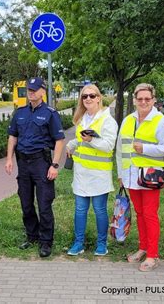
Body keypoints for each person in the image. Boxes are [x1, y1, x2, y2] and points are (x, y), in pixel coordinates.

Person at [116, 83, 164, 271]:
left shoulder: (160, 121)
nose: (143, 102)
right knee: (140, 213)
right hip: (131, 176)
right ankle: (143, 248)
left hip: (150, 177)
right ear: (134, 100)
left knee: (149, 214)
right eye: (139, 99)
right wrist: (120, 174)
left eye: (147, 99)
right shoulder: (128, 120)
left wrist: (146, 148)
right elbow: (120, 149)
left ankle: (152, 255)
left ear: (153, 100)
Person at [5, 77, 65, 257]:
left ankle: (46, 242)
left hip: (42, 163)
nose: (30, 93)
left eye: (34, 90)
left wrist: (54, 165)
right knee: (26, 202)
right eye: (29, 90)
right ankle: (32, 236)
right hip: (23, 163)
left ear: (42, 92)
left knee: (44, 203)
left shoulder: (50, 113)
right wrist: (9, 159)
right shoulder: (20, 112)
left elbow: (60, 140)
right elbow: (12, 137)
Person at [65, 84, 118, 256]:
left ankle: (101, 244)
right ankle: (78, 243)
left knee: (99, 210)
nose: (88, 99)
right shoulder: (82, 119)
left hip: (99, 174)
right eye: (84, 96)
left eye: (92, 95)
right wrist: (71, 144)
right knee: (80, 210)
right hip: (81, 173)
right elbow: (80, 140)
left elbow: (109, 145)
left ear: (99, 98)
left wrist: (91, 141)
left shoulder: (107, 121)